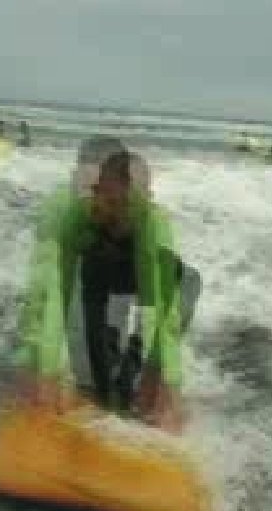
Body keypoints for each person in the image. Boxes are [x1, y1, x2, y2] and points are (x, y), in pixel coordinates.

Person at [11, 136, 197, 432]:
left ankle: (132, 364)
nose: (92, 195)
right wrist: (38, 367)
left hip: (146, 274)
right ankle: (109, 361)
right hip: (98, 271)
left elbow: (159, 309)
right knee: (82, 317)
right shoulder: (63, 210)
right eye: (84, 182)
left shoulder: (150, 220)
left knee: (186, 284)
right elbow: (48, 293)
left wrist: (164, 381)